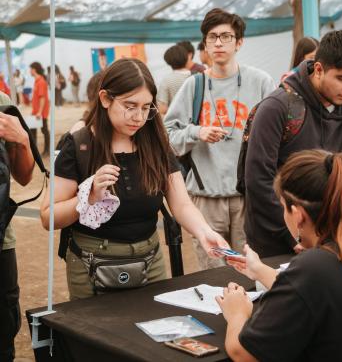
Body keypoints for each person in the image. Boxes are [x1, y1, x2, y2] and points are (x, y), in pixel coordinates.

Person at [40, 58, 229, 300]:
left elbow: (181, 204)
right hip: (91, 264)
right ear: (105, 99)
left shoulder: (155, 142)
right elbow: (48, 217)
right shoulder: (79, 145)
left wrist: (204, 232)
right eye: (130, 106)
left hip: (150, 259)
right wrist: (88, 197)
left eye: (146, 107)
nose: (139, 117)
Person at [217, 150, 342, 362]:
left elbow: (244, 354)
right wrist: (260, 271)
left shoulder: (315, 267)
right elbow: (323, 293)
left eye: (283, 207)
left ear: (298, 214)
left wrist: (236, 312)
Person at [165, 8, 276, 270]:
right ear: (204, 43)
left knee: (251, 268)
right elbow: (168, 137)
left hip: (248, 197)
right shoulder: (194, 86)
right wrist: (197, 132)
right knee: (213, 272)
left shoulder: (260, 82)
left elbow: (278, 134)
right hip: (205, 198)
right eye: (212, 36)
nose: (218, 43)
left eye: (226, 36)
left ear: (239, 42)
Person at [245, 29, 342, 258]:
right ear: (319, 69)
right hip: (277, 243)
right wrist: (296, 236)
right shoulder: (277, 107)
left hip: (329, 242)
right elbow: (258, 181)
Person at [0, 91, 35, 362]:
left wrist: (22, 139)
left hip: (1, 240)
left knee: (3, 331)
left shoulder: (1, 102)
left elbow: (24, 176)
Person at [157, 45, 191, 115]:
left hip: (175, 121)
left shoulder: (167, 80)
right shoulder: (196, 77)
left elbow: (162, 108)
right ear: (187, 58)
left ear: (168, 61)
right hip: (196, 122)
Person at [30, 62, 50, 157]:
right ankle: (34, 151)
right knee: (32, 130)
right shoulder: (36, 81)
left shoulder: (41, 81)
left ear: (34, 69)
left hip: (40, 113)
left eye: (31, 69)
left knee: (44, 130)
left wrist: (39, 112)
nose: (30, 71)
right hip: (35, 112)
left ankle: (47, 150)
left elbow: (42, 98)